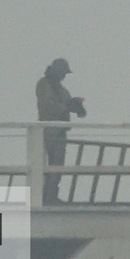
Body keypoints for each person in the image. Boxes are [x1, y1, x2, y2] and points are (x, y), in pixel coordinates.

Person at [35, 59, 86, 205]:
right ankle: (44, 196)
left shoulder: (61, 89)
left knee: (57, 166)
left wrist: (76, 106)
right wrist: (68, 106)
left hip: (60, 133)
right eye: (63, 73)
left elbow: (66, 103)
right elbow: (48, 107)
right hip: (49, 132)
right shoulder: (44, 85)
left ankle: (51, 196)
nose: (64, 76)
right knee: (48, 167)